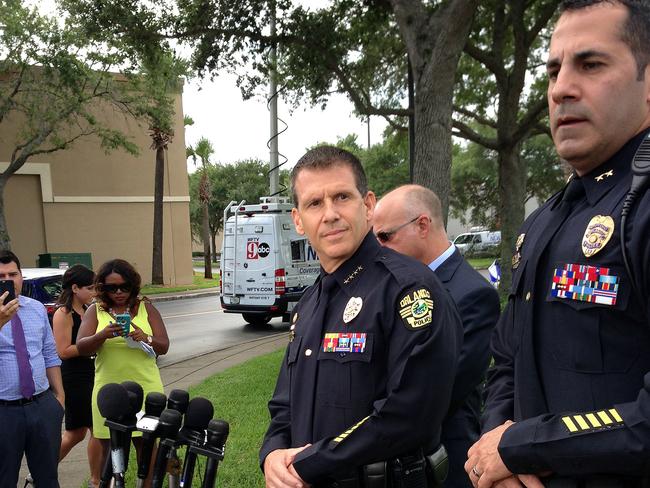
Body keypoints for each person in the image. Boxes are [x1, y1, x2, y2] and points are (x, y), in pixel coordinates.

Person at [466, 1, 650, 486]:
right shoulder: (547, 219)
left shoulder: (641, 207)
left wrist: (523, 447)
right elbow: (506, 357)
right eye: (553, 71)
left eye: (591, 64)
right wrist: (496, 450)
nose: (561, 88)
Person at [259, 146, 463, 488]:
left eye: (341, 197)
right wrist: (273, 454)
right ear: (297, 220)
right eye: (314, 204)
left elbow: (409, 415)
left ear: (367, 205)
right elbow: (284, 404)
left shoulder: (408, 290)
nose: (330, 214)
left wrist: (309, 462)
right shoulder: (309, 302)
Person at [373, 185, 500, 488]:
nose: (378, 248)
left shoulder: (473, 294)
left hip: (444, 459)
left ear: (422, 225)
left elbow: (443, 389)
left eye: (385, 236)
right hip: (395, 459)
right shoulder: (394, 284)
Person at [77, 258, 169, 484]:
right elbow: (81, 347)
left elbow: (164, 346)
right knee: (109, 446)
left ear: (132, 285)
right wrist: (102, 335)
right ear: (102, 288)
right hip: (109, 390)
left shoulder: (146, 308)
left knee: (146, 445)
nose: (118, 292)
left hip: (145, 386)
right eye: (111, 287)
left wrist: (143, 336)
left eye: (124, 287)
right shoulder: (95, 311)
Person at [0, 250, 65, 487]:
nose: (7, 279)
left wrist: (59, 397)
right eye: (1, 275)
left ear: (21, 276)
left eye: (12, 274)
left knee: (47, 477)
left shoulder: (36, 308)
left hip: (42, 405)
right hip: (4, 411)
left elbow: (49, 353)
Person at [52, 264, 103, 488]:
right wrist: (93, 343)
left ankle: (41, 468)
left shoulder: (88, 309)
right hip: (75, 377)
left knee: (77, 433)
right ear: (75, 287)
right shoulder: (64, 313)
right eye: (89, 288)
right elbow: (62, 351)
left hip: (92, 372)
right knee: (93, 430)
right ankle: (96, 480)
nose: (93, 292)